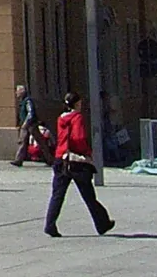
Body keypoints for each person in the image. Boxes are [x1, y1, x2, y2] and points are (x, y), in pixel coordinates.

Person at [44, 91, 115, 238]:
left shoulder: (61, 118)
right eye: (80, 103)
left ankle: (50, 225)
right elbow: (78, 138)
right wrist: (87, 153)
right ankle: (102, 223)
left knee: (57, 194)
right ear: (77, 103)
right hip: (76, 162)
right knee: (88, 195)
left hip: (60, 159)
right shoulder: (77, 117)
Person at [11, 83, 53, 166]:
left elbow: (30, 113)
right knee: (23, 142)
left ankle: (50, 159)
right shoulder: (23, 101)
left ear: (22, 92)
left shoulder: (27, 101)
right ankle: (18, 160)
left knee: (40, 142)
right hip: (27, 124)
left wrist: (25, 123)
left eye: (17, 91)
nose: (16, 93)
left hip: (30, 124)